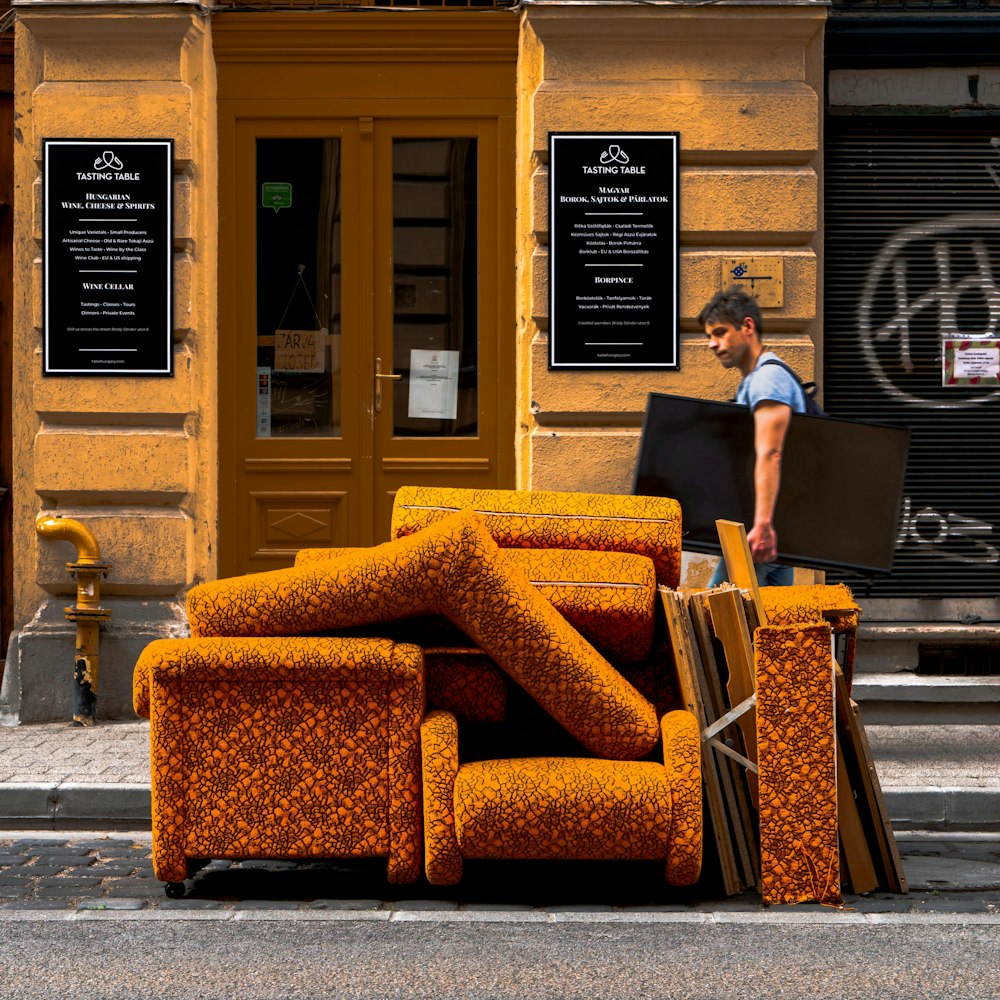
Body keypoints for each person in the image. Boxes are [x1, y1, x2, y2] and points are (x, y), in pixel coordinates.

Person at [698, 287, 808, 587]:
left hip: (767, 524)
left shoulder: (767, 381)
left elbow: (771, 453)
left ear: (747, 327)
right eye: (709, 336)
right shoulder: (757, 380)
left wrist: (762, 524)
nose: (712, 344)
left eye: (720, 333)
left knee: (717, 614)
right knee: (777, 622)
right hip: (777, 525)